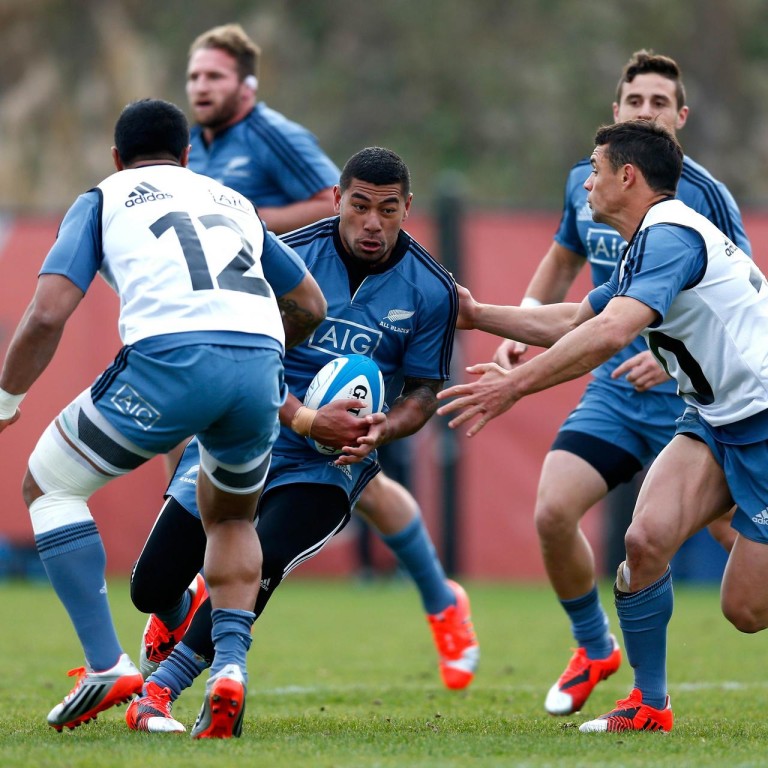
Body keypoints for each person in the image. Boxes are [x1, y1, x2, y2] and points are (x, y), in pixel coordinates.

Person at [0, 98, 326, 737]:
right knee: (231, 515)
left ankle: (104, 666)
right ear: (186, 157)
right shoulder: (231, 200)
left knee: (48, 485)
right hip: (259, 365)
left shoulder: (105, 195)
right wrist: (253, 354)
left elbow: (46, 313)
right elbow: (309, 301)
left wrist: (7, 398)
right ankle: (229, 670)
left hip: (170, 359)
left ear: (117, 159)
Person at [125, 147, 479, 735]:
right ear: (337, 199)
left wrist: (382, 428)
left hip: (327, 467)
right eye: (360, 206)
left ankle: (166, 690)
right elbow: (242, 355)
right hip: (246, 426)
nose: (372, 223)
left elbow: (421, 393)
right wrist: (304, 418)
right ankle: (185, 616)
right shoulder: (284, 258)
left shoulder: (431, 289)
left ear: (407, 209)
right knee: (151, 586)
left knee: (261, 558)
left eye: (388, 210)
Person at [438, 118, 768, 733]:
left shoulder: (669, 235)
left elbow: (611, 335)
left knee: (746, 610)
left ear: (627, 175)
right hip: (716, 420)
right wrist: (479, 314)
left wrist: (514, 385)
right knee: (643, 544)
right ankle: (649, 705)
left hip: (765, 422)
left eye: (594, 169)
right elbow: (575, 319)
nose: (585, 182)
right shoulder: (648, 240)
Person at [179, 22, 474, 684]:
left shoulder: (273, 137)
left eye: (215, 76)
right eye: (194, 76)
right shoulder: (200, 150)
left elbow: (319, 199)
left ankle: (439, 601)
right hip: (269, 383)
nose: (201, 87)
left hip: (335, 405)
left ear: (245, 84)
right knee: (200, 485)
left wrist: (239, 222)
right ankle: (177, 604)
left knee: (351, 484)